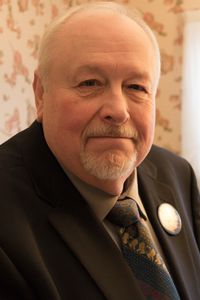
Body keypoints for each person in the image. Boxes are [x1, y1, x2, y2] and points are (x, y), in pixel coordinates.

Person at [0, 2, 199, 299]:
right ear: (41, 94)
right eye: (90, 83)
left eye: (136, 87)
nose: (118, 111)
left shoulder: (175, 173)